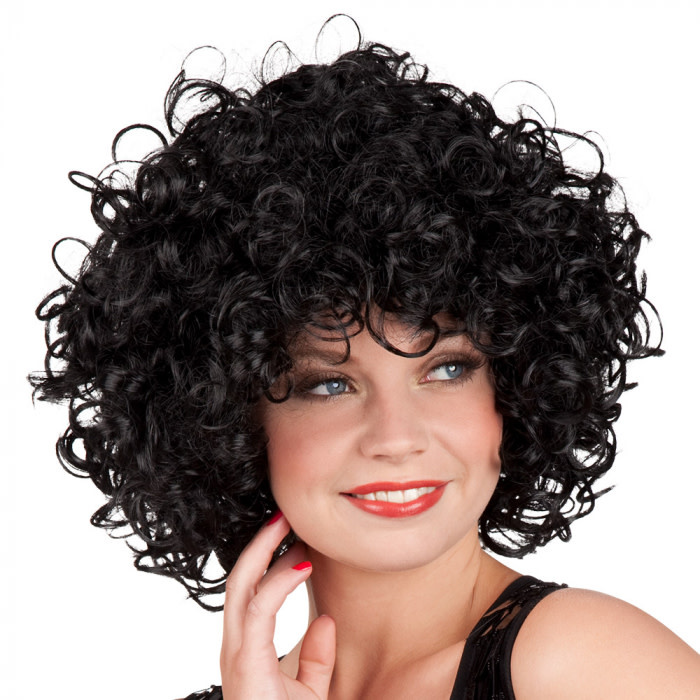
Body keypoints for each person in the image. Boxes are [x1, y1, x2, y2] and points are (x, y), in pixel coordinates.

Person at [30, 23, 700, 700]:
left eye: (446, 369)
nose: (397, 437)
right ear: (230, 422)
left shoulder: (577, 662)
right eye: (329, 384)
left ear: (517, 386)